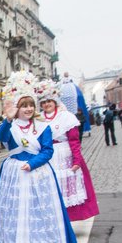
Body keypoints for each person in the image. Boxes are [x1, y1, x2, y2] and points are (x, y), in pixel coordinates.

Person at [0, 71, 77, 243]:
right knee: (19, 211)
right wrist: (7, 119)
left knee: (38, 210)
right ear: (17, 108)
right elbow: (0, 137)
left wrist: (33, 163)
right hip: (15, 173)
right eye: (24, 106)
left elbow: (48, 151)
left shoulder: (42, 127)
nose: (29, 109)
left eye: (31, 105)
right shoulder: (11, 126)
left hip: (38, 172)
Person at [37, 80, 99, 222]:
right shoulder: (38, 119)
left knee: (67, 188)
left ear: (55, 101)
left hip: (65, 154)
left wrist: (77, 160)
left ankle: (68, 219)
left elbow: (74, 141)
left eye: (49, 101)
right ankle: (54, 219)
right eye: (44, 102)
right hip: (47, 156)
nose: (47, 104)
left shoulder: (66, 117)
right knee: (51, 188)